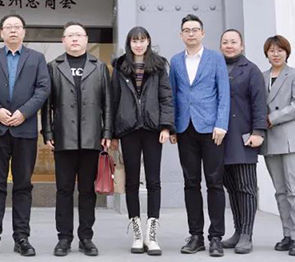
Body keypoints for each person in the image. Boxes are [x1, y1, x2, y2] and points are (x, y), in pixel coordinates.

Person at [0, 14, 49, 258]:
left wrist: (24, 112)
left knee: (23, 185)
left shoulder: (37, 58)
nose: (13, 31)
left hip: (25, 129)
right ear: (1, 32)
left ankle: (22, 237)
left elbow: (43, 89)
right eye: (8, 27)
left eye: (17, 27)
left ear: (24, 32)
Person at [42, 21, 113, 257]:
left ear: (86, 39)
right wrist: (48, 133)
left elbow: (108, 104)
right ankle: (64, 238)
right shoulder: (53, 67)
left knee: (87, 191)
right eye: (70, 35)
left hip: (92, 138)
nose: (74, 39)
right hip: (63, 138)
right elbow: (47, 105)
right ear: (63, 40)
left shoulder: (99, 67)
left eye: (79, 35)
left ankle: (86, 238)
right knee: (63, 190)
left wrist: (107, 133)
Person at [168, 14, 230, 258]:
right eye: (186, 30)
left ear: (202, 33)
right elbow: (173, 95)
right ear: (181, 35)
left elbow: (224, 93)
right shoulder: (175, 61)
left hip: (212, 129)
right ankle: (196, 235)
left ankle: (216, 237)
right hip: (185, 128)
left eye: (195, 29)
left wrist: (221, 124)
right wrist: (173, 127)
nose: (191, 33)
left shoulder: (216, 58)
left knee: (214, 182)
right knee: (191, 182)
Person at [111, 26, 175, 256]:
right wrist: (112, 134)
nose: (138, 45)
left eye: (142, 40)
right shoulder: (119, 66)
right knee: (131, 181)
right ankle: (138, 235)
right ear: (129, 43)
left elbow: (166, 97)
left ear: (148, 41)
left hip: (152, 129)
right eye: (134, 41)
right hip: (128, 129)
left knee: (153, 180)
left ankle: (152, 235)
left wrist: (166, 126)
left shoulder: (158, 66)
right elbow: (113, 100)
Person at [219, 29, 267, 254]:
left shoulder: (251, 70)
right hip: (221, 136)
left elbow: (259, 103)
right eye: (225, 42)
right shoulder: (216, 66)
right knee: (231, 186)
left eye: (233, 42)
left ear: (242, 45)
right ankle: (238, 231)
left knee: (246, 187)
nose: (229, 46)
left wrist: (258, 131)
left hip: (244, 135)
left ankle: (247, 234)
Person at [261, 35, 295, 257]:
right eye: (272, 50)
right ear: (267, 54)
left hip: (291, 138)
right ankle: (287, 233)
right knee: (280, 191)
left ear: (287, 52)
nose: (276, 54)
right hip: (270, 140)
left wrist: (272, 118)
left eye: (280, 50)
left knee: (294, 190)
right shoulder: (261, 77)